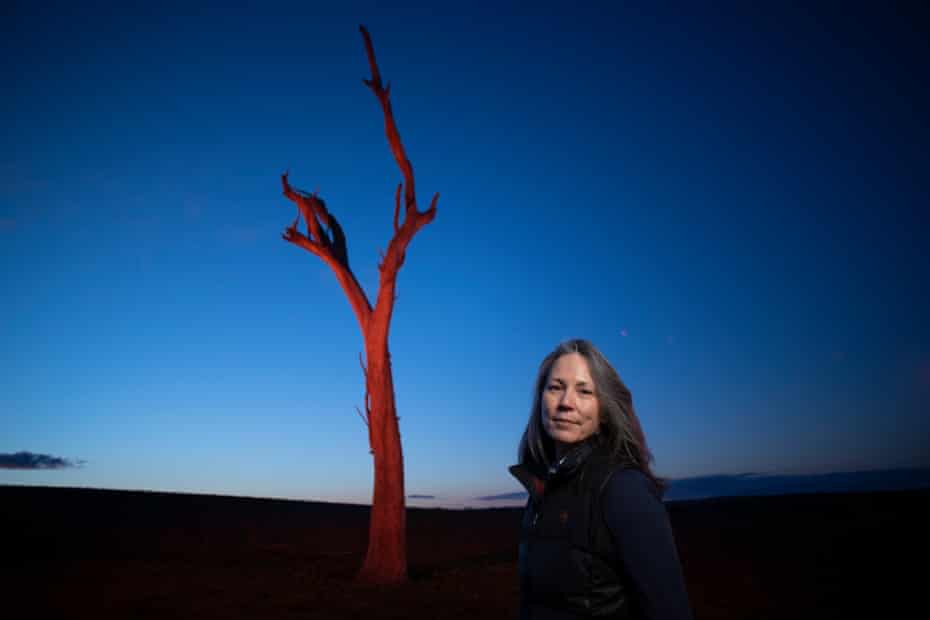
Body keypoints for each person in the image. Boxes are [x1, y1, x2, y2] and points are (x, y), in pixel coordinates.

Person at [509, 339, 692, 620]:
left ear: (604, 411)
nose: (566, 403)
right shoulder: (543, 488)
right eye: (556, 387)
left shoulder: (624, 489)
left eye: (584, 392)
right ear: (540, 398)